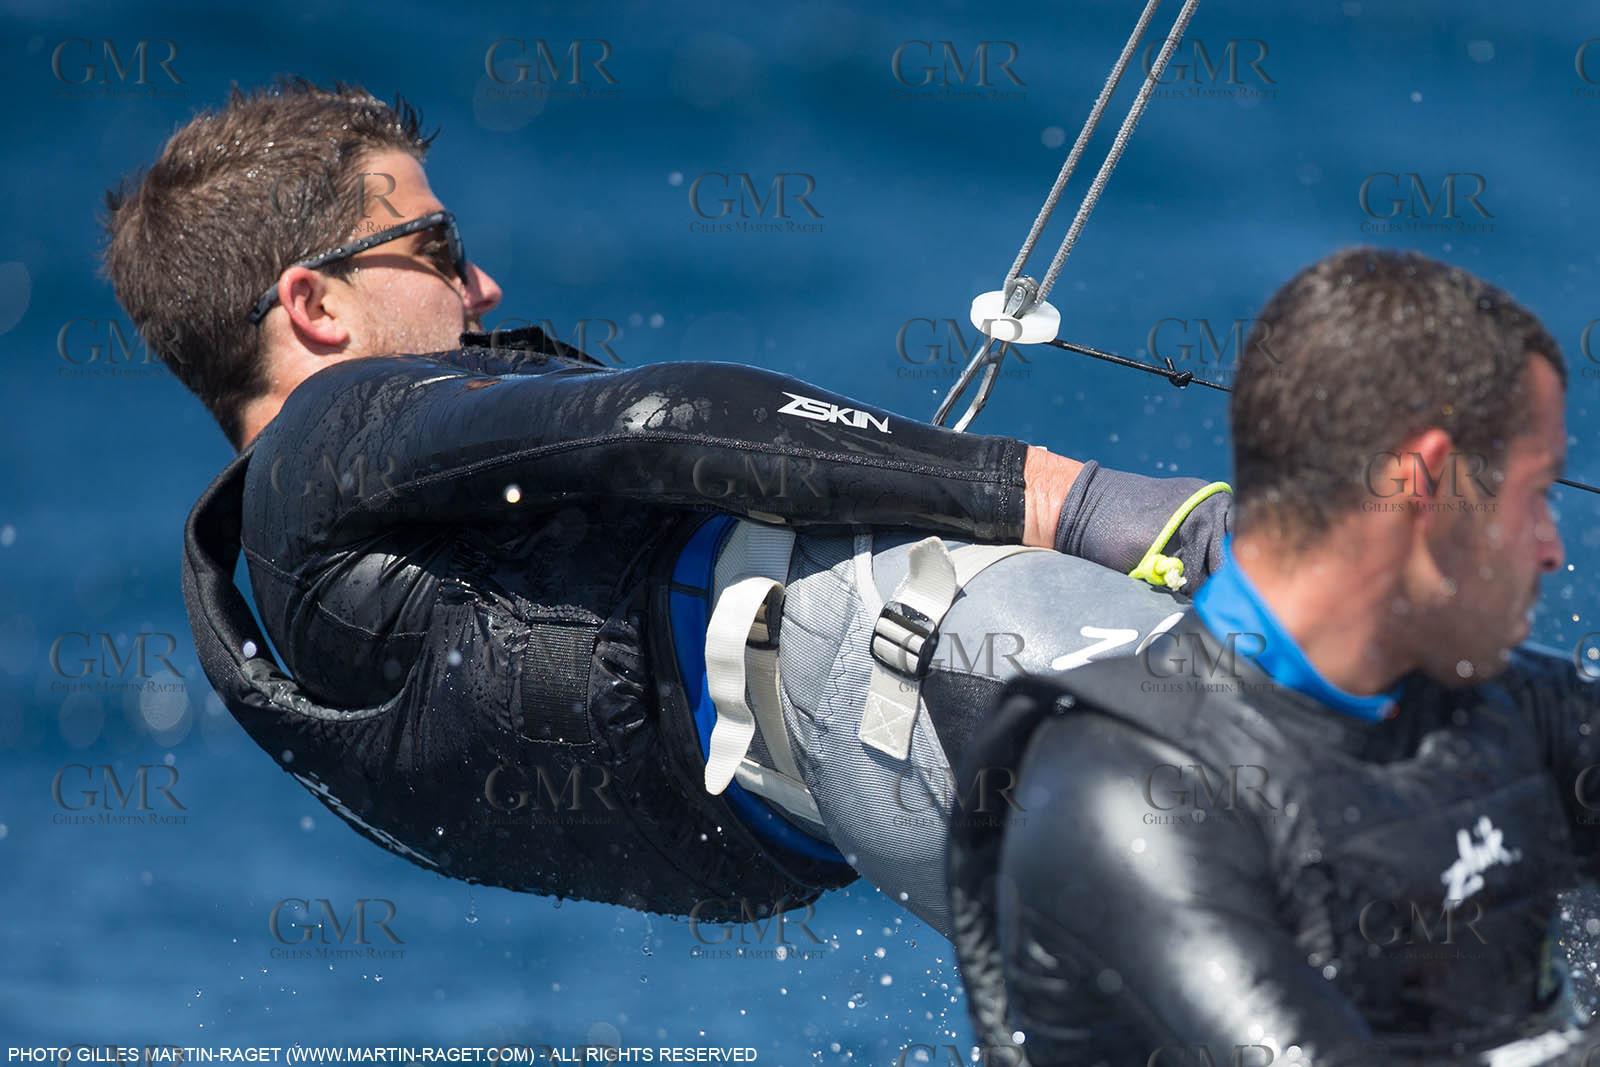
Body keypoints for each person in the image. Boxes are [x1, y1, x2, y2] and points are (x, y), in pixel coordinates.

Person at [105, 79, 1232, 934]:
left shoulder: (310, 608)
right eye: (438, 246)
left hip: (890, 788)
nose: (481, 286)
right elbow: (662, 417)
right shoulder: (326, 436)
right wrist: (1075, 502)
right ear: (315, 307)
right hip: (936, 660)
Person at [948, 247, 1600, 1065]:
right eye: (1536, 496)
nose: (1552, 549)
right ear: (1426, 484)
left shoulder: (1513, 708)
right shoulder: (1121, 793)